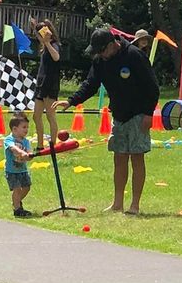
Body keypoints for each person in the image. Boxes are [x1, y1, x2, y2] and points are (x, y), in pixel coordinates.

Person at [63, 27, 158, 214]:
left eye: (101, 50)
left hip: (138, 114)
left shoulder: (134, 56)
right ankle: (117, 203)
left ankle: (135, 205)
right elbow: (91, 84)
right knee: (119, 158)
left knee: (137, 158)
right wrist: (71, 100)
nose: (99, 55)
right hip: (119, 115)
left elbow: (152, 87)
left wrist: (148, 114)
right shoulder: (100, 60)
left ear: (111, 45)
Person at [29, 17, 62, 150]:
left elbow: (56, 57)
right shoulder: (43, 45)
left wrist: (47, 42)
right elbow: (39, 36)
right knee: (36, 116)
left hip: (50, 84)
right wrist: (34, 27)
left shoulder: (54, 45)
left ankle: (53, 145)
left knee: (50, 116)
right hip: (41, 85)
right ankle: (40, 145)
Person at [4, 113, 36, 218]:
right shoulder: (9, 139)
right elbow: (14, 148)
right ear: (14, 129)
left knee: (27, 187)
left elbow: (29, 152)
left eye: (27, 127)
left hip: (23, 170)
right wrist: (21, 152)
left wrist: (30, 155)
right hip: (12, 171)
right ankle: (17, 209)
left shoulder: (26, 141)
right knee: (17, 189)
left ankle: (16, 201)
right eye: (24, 127)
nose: (26, 129)